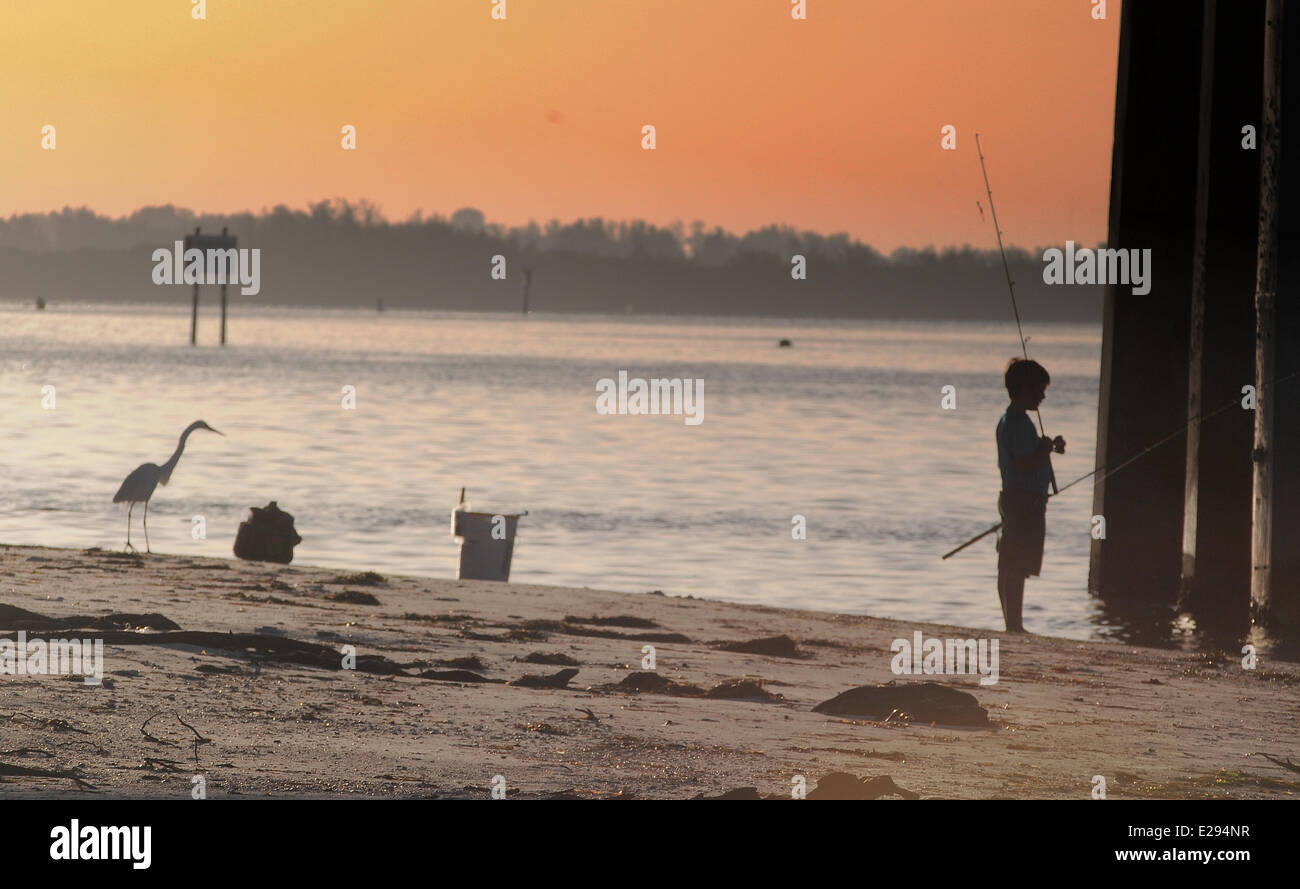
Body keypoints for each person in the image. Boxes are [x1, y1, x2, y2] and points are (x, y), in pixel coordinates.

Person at [996, 358, 1065, 632]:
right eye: (1039, 390)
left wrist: (1046, 446)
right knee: (1017, 564)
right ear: (1025, 388)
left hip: (1015, 499)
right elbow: (1025, 462)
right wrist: (1044, 450)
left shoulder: (1009, 420)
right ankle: (1014, 625)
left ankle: (1012, 623)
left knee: (1010, 562)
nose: (1043, 396)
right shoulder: (1020, 423)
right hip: (1024, 502)